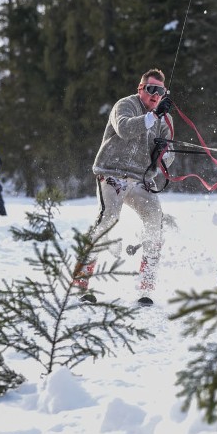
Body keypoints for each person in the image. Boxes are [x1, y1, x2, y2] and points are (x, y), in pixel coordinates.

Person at [73, 68, 176, 306]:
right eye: (151, 89)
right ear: (140, 89)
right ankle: (81, 279)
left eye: (161, 91)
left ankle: (146, 286)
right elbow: (125, 129)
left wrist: (164, 151)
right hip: (112, 173)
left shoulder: (165, 119)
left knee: (155, 220)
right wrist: (151, 118)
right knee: (109, 217)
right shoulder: (126, 105)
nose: (155, 94)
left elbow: (168, 158)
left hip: (141, 179)